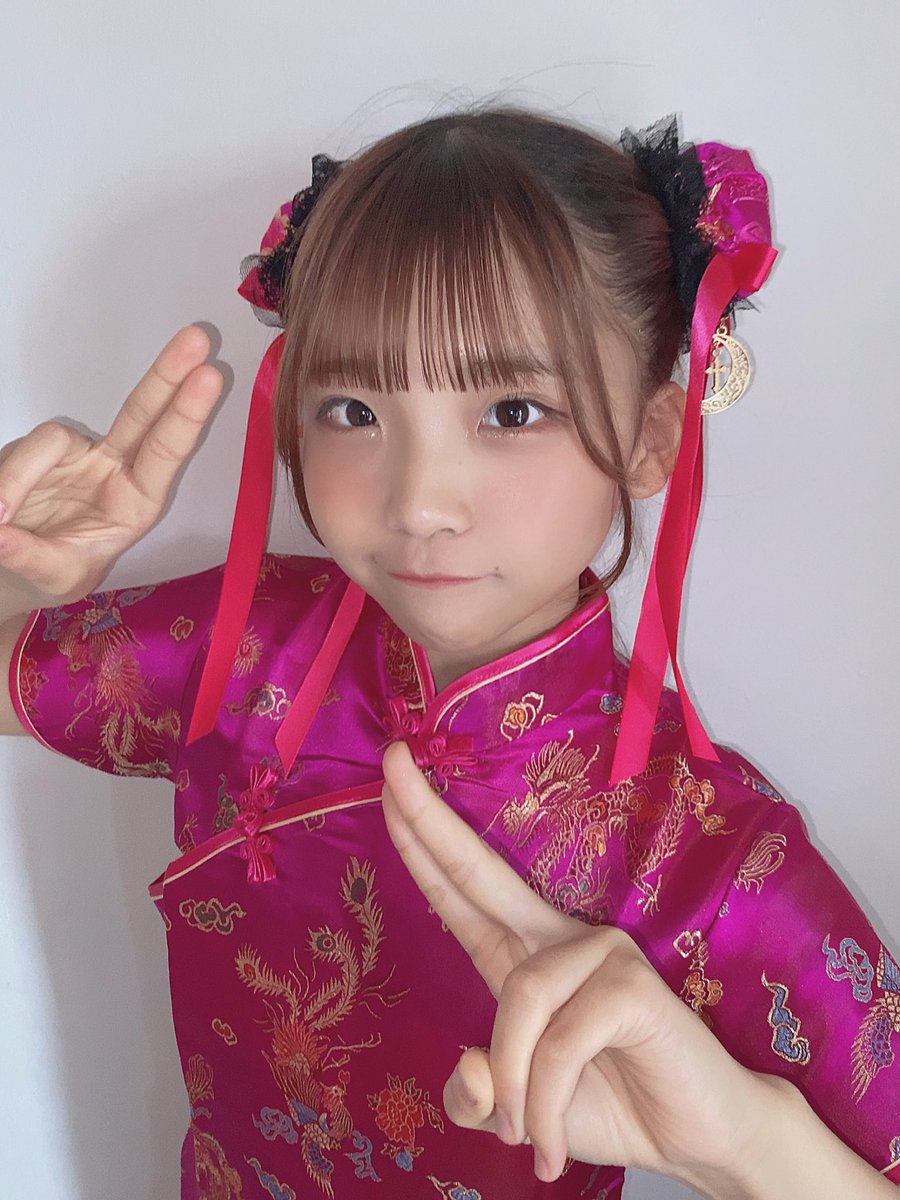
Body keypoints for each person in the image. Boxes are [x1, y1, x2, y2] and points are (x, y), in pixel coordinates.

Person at [0, 107, 896, 1200]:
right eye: (353, 408)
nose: (420, 503)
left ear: (650, 438)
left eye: (512, 410)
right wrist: (16, 579)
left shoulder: (700, 848)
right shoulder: (242, 649)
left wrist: (743, 1148)